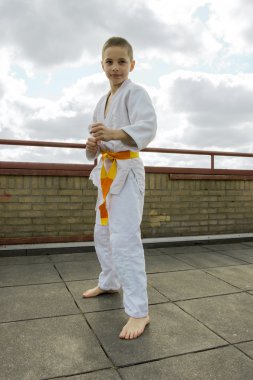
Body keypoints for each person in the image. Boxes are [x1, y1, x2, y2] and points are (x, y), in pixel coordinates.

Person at [82, 36, 157, 340]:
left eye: (121, 62)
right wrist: (92, 146)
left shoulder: (137, 94)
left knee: (125, 238)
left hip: (127, 172)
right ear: (102, 65)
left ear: (132, 65)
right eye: (110, 62)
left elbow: (148, 128)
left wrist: (112, 133)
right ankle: (110, 281)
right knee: (102, 233)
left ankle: (139, 311)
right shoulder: (102, 102)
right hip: (106, 173)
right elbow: (94, 151)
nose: (115, 68)